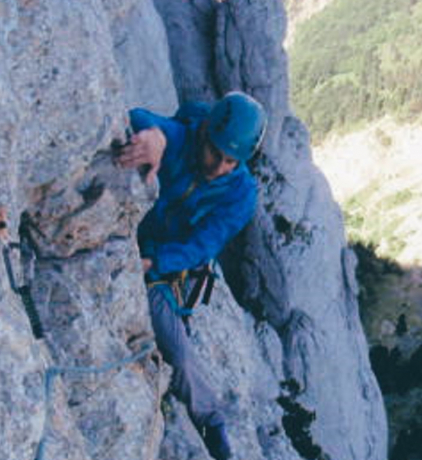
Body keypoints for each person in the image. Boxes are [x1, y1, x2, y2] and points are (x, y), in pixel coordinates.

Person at [116, 91, 266, 460]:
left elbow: (205, 243)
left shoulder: (241, 194)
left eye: (230, 160)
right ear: (205, 135)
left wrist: (156, 262)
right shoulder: (185, 138)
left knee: (180, 356)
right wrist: (156, 137)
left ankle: (211, 422)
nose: (218, 166)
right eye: (215, 152)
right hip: (137, 239)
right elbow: (141, 116)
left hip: (167, 266)